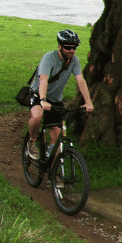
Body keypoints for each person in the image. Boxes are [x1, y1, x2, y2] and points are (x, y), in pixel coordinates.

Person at [26, 29, 94, 160]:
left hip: (55, 99)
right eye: (68, 47)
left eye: (74, 47)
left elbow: (81, 80)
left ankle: (56, 176)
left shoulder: (74, 61)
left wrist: (88, 102)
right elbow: (43, 79)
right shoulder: (49, 58)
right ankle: (32, 142)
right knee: (37, 116)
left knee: (57, 139)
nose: (71, 51)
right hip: (38, 95)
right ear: (59, 46)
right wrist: (43, 100)